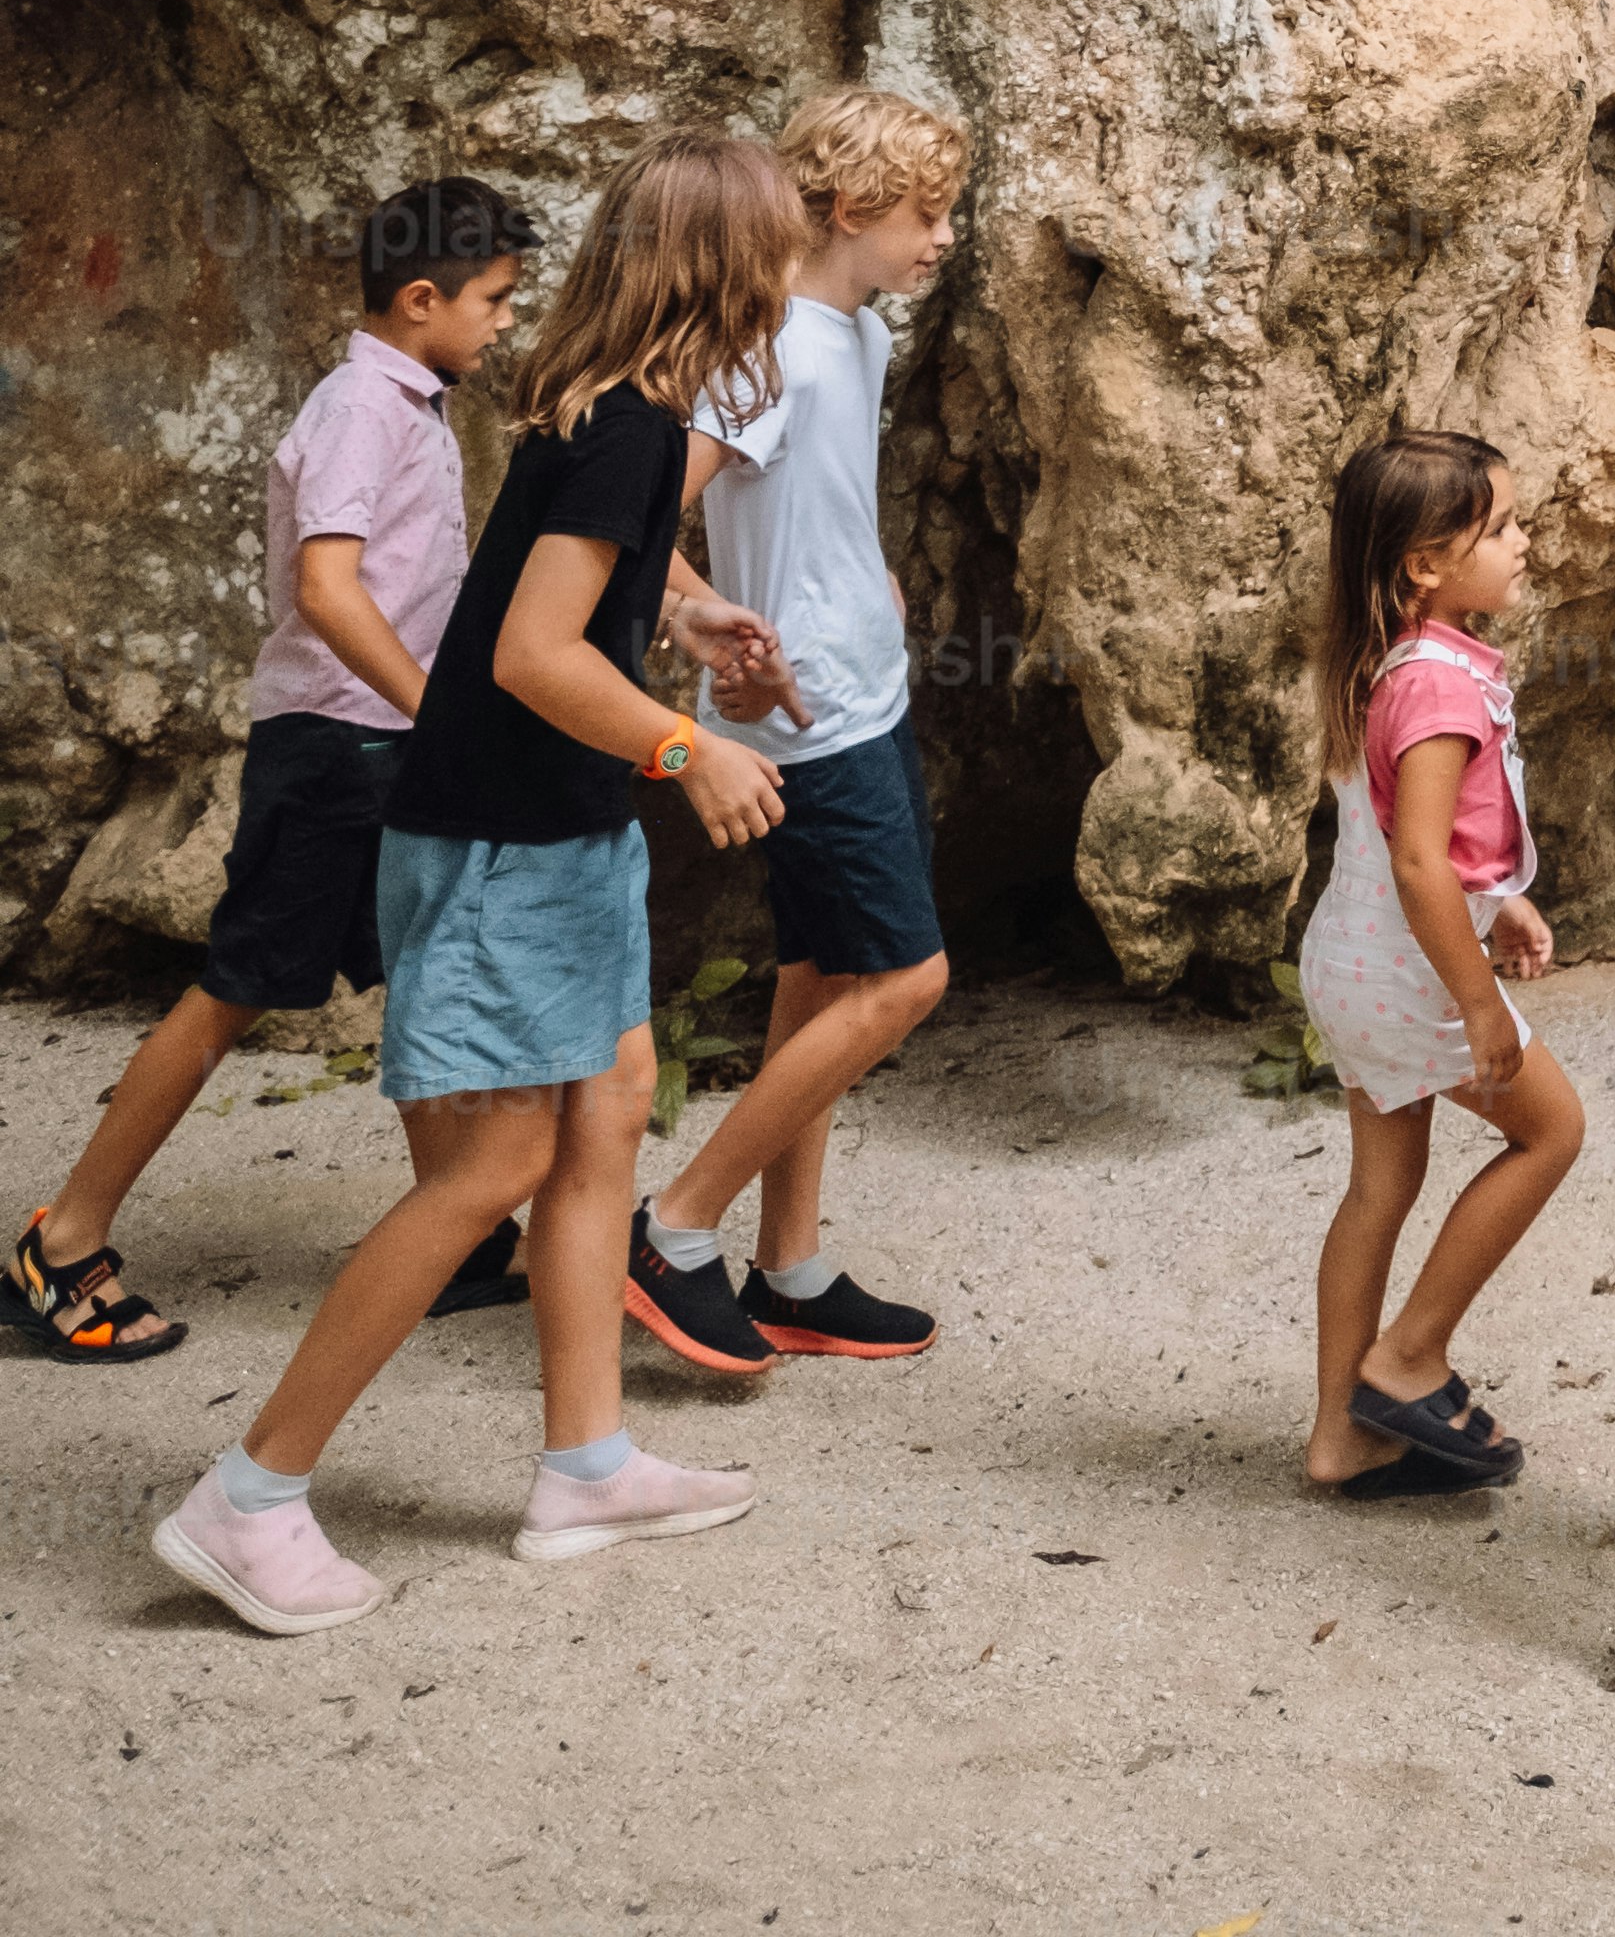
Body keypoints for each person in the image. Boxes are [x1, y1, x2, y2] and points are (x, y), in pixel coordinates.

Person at [148, 132, 807, 1635]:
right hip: (508, 839)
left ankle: (584, 1465)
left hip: (554, 830)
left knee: (610, 1110)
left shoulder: (607, 406)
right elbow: (526, 653)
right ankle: (249, 1495)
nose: (786, 269)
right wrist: (682, 744)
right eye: (773, 242)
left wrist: (685, 614)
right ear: (725, 263)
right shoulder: (629, 427)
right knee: (495, 1169)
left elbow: (555, 599)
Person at [8, 178, 541, 1365]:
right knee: (238, 985)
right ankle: (63, 1241)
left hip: (376, 742)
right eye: (496, 300)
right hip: (341, 746)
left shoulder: (409, 401)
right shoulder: (363, 404)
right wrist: (433, 713)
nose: (507, 322)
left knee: (416, 970)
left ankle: (451, 1233)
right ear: (420, 300)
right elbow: (326, 587)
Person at [623, 84, 972, 1377]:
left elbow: (819, 502)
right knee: (905, 977)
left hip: (859, 687)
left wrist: (861, 571)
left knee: (823, 969)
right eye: (926, 215)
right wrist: (715, 615)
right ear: (845, 209)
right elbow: (640, 526)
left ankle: (794, 1266)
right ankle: (674, 1225)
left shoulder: (857, 332)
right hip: (799, 718)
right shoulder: (767, 349)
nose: (942, 239)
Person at [1297, 430, 1583, 1498]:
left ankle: (1340, 1434)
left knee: (1382, 1184)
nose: (1521, 542)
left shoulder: (1399, 658)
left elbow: (1407, 842)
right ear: (1424, 564)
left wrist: (1499, 897)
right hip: (1412, 975)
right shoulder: (1439, 689)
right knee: (1552, 1131)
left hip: (1357, 959)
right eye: (1499, 527)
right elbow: (1419, 861)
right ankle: (1409, 1357)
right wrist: (1480, 1003)